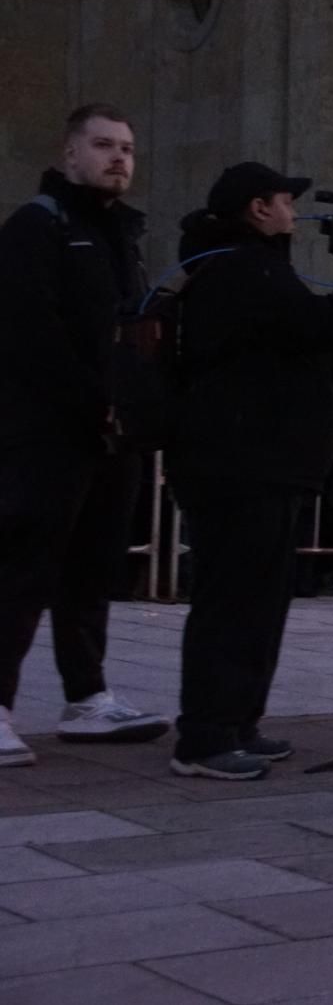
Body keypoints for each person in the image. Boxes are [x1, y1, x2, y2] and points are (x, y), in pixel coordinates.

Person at [168, 161, 333, 780]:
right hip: (241, 463)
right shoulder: (243, 270)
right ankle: (204, 737)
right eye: (284, 201)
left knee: (261, 602)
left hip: (263, 462)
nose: (294, 210)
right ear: (258, 209)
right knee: (232, 601)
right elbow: (322, 328)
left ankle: (238, 723)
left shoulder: (254, 267)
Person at [0, 103, 170, 767]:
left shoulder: (118, 236)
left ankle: (87, 697)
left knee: (89, 571)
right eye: (103, 145)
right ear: (69, 153)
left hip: (108, 436)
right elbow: (29, 335)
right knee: (21, 571)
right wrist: (88, 399)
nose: (119, 158)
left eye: (127, 147)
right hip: (45, 435)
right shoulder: (35, 229)